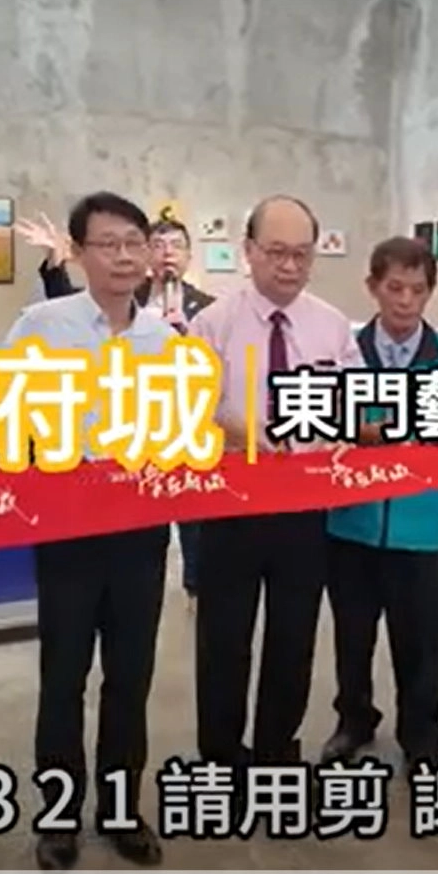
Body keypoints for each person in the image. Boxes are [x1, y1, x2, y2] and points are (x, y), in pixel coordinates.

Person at [7, 193, 172, 871]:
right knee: (64, 676)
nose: (124, 256)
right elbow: (5, 412)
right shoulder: (42, 325)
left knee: (130, 677)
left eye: (135, 242)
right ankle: (58, 816)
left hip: (140, 532)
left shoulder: (164, 339)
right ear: (78, 253)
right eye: (108, 244)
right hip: (69, 530)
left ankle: (121, 808)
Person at [189, 195, 358, 767]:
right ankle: (220, 756)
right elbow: (190, 405)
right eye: (276, 252)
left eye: (302, 255)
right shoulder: (212, 324)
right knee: (224, 640)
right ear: (249, 251)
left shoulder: (332, 326)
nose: (289, 266)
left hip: (304, 513)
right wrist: (233, 427)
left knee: (293, 638)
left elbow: (353, 403)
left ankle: (276, 753)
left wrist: (345, 431)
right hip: (230, 508)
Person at [319, 237, 438, 768]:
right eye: (395, 288)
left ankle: (421, 735)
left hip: (420, 527)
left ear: (430, 292)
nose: (406, 301)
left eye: (417, 290)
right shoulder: (344, 353)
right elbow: (328, 424)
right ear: (373, 287)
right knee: (352, 637)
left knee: (420, 644)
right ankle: (354, 721)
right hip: (350, 525)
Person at [17, 213, 215, 601]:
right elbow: (70, 316)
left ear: (189, 256)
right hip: (114, 437)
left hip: (177, 433)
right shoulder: (123, 297)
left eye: (176, 245)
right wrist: (56, 263)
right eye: (158, 245)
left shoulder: (207, 309)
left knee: (189, 521)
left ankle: (195, 584)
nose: (167, 253)